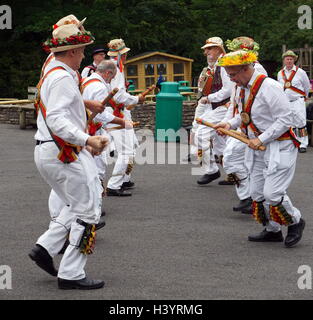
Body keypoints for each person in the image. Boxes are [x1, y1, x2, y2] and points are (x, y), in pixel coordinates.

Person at [29, 21, 109, 289]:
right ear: (73, 52)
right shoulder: (63, 77)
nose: (84, 55)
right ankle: (71, 274)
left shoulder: (51, 70)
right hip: (62, 153)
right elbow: (58, 120)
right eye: (82, 50)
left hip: (50, 150)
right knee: (89, 209)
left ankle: (45, 247)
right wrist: (87, 139)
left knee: (74, 205)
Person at [215, 50, 305, 248]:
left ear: (247, 69)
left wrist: (261, 138)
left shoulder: (270, 87)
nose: (232, 79)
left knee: (273, 193)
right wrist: (228, 124)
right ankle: (272, 230)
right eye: (229, 75)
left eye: (233, 74)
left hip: (280, 145)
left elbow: (285, 119)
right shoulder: (240, 87)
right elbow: (243, 115)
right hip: (256, 147)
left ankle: (295, 221)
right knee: (256, 192)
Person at [221, 37, 267, 213]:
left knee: (236, 159)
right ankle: (249, 196)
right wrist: (227, 122)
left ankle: (253, 198)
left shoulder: (256, 70)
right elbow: (235, 102)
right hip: (241, 122)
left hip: (253, 126)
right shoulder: (236, 71)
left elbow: (257, 102)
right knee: (234, 160)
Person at [81, 60, 134, 185]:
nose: (110, 81)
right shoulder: (99, 87)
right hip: (93, 130)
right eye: (112, 77)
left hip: (84, 128)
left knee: (87, 164)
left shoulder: (85, 81)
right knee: (98, 166)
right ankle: (96, 194)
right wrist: (121, 121)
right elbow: (100, 115)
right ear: (107, 73)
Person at [105, 38, 145, 196]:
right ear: (121, 54)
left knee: (132, 146)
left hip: (119, 112)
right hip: (116, 113)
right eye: (125, 53)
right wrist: (136, 99)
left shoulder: (112, 67)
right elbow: (119, 96)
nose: (127, 56)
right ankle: (114, 185)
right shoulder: (116, 69)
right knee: (127, 151)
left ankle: (124, 179)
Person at [192, 37, 233, 185]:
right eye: (206, 49)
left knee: (200, 135)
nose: (206, 52)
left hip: (224, 107)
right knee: (220, 142)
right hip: (220, 106)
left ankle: (212, 170)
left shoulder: (223, 64)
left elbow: (228, 90)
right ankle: (234, 174)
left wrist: (209, 98)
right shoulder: (218, 65)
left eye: (209, 49)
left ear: (217, 49)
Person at [277, 50, 311, 153]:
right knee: (288, 122)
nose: (289, 61)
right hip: (285, 102)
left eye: (291, 59)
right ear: (284, 60)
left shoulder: (300, 72)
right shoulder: (280, 73)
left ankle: (303, 144)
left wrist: (304, 97)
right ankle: (292, 141)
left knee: (300, 122)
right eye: (287, 59)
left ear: (294, 60)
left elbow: (306, 86)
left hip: (298, 100)